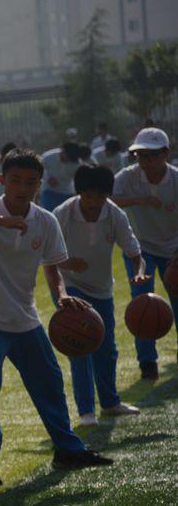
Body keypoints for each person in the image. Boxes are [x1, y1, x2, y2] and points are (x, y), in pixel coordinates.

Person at [0, 148, 113, 487]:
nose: (23, 187)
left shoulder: (45, 220)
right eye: (16, 180)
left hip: (25, 316)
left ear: (39, 185)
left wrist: (62, 295)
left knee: (49, 381)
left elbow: (52, 266)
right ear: (3, 180)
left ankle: (66, 448)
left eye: (31, 182)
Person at [53, 165, 147, 426]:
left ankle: (110, 403)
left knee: (106, 348)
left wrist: (139, 272)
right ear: (80, 193)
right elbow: (47, 255)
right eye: (88, 196)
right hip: (71, 288)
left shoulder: (114, 214)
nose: (94, 202)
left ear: (108, 195)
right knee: (79, 347)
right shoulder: (62, 214)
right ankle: (86, 412)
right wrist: (69, 263)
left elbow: (135, 252)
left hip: (102, 288)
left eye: (100, 196)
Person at [111, 127, 178, 381]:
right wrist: (139, 200)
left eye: (150, 155)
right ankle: (147, 362)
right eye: (140, 155)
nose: (145, 161)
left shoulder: (176, 179)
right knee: (143, 304)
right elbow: (109, 199)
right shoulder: (127, 177)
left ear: (165, 154)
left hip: (174, 248)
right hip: (140, 249)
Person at [40, 142, 88, 212]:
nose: (68, 160)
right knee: (49, 211)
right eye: (67, 157)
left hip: (67, 192)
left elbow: (80, 180)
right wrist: (47, 178)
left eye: (70, 159)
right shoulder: (48, 156)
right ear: (63, 151)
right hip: (49, 190)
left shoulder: (77, 164)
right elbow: (39, 168)